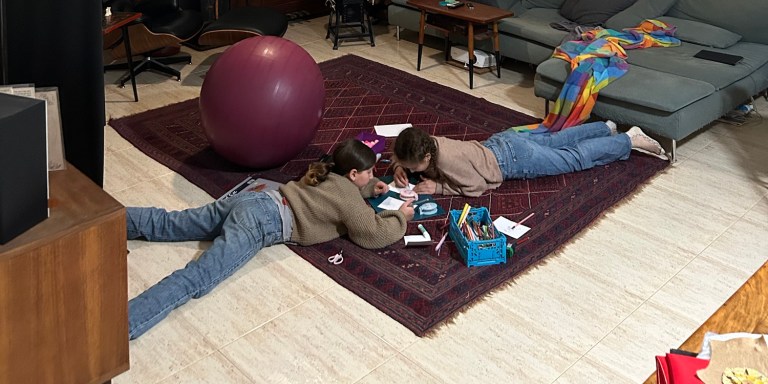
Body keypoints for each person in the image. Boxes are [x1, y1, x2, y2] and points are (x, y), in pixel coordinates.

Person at [126, 139, 414, 339]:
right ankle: (121, 326)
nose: (372, 175)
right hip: (262, 222)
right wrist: (401, 216)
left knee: (172, 222)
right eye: (369, 172)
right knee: (198, 277)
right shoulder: (349, 198)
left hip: (256, 198)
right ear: (352, 173)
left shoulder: (325, 170)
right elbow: (373, 233)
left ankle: (114, 220)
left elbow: (338, 192)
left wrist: (369, 188)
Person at [390, 122, 667, 197]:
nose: (412, 171)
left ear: (427, 157)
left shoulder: (446, 160)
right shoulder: (427, 141)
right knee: (557, 140)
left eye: (413, 167)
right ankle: (604, 128)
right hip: (504, 141)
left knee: (572, 158)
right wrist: (398, 166)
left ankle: (628, 140)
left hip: (513, 159)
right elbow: (406, 154)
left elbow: (478, 186)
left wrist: (439, 188)